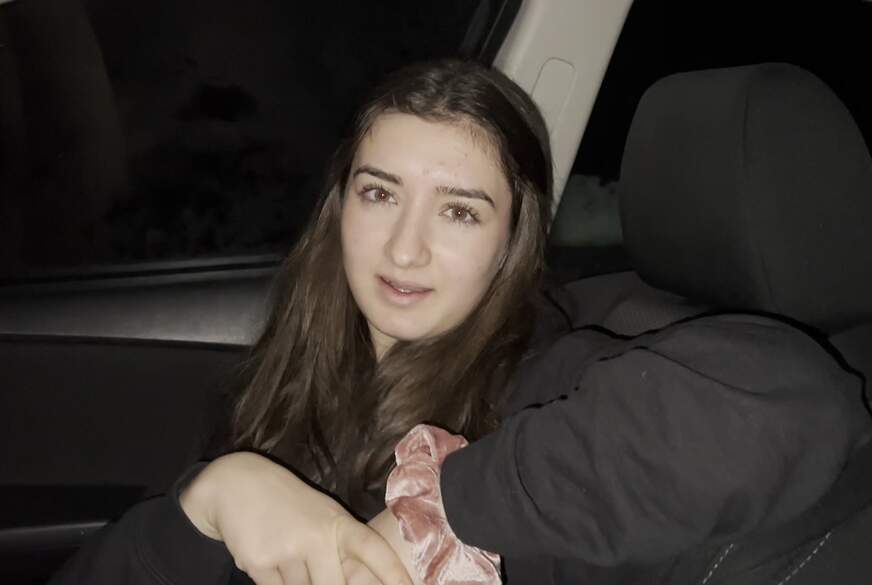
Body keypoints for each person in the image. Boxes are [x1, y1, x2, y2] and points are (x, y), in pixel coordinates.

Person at [50, 59, 869, 585]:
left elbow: (788, 403)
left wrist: (442, 508)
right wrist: (211, 501)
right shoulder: (298, 383)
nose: (405, 247)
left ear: (512, 240)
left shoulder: (543, 380)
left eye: (460, 211)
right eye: (380, 193)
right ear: (339, 207)